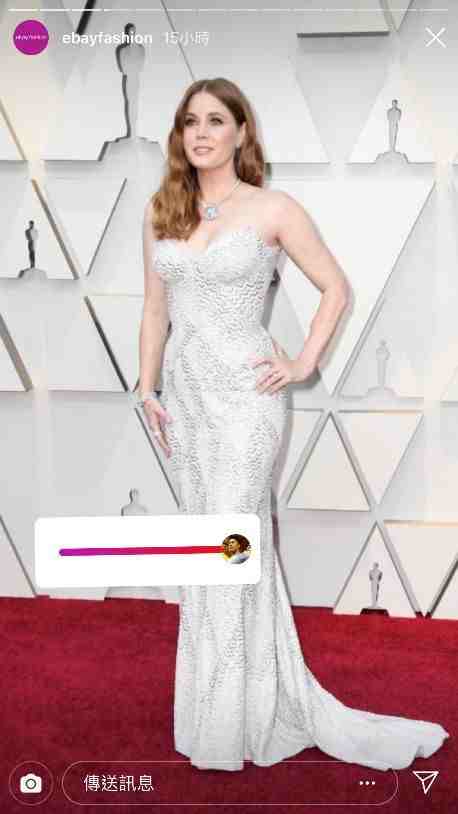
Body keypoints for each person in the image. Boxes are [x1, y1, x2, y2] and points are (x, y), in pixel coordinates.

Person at [137, 77, 449, 772]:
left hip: (247, 398)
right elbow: (155, 309)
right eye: (190, 122)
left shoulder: (273, 208)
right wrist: (146, 385)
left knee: (230, 540)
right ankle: (228, 706)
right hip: (186, 403)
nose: (201, 133)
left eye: (215, 121)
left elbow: (336, 287)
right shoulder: (163, 210)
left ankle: (231, 720)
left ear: (242, 132)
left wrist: (304, 362)